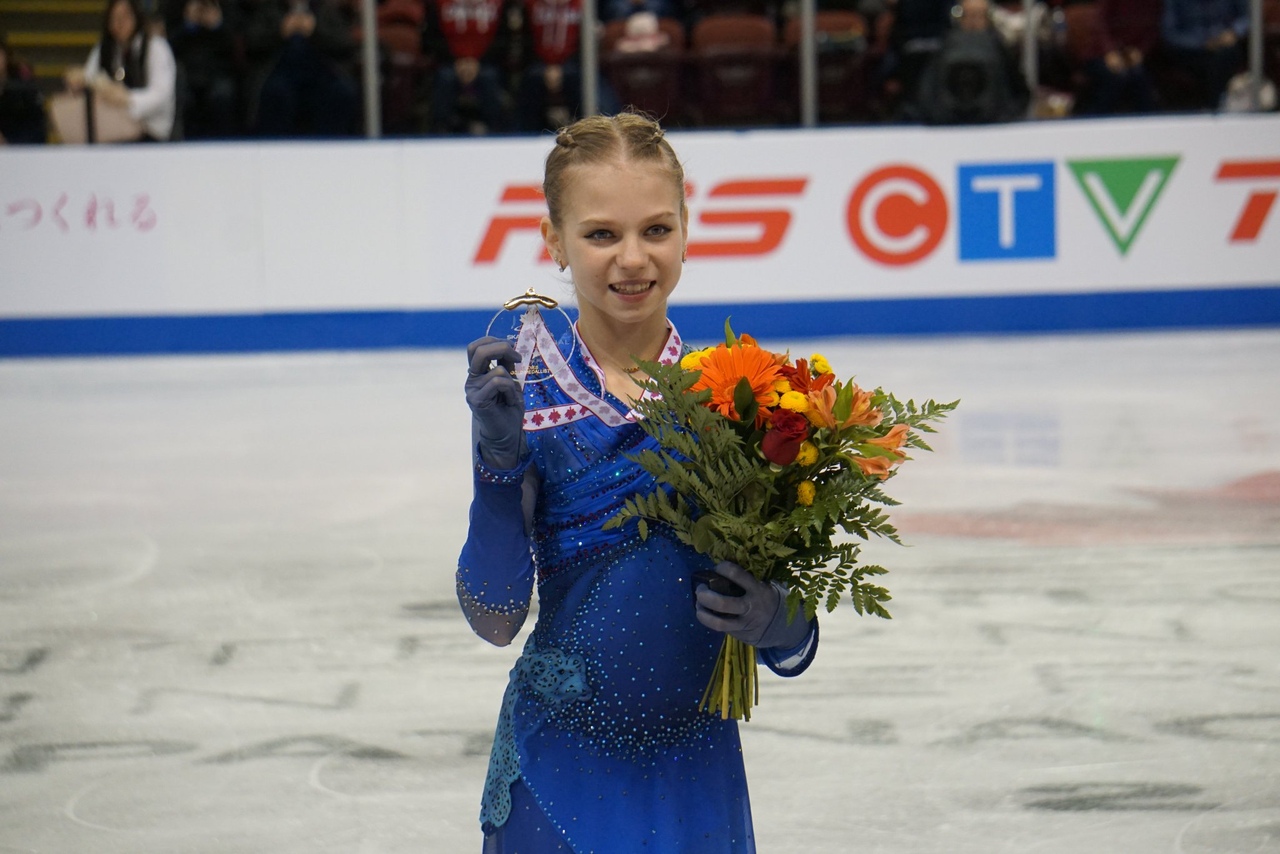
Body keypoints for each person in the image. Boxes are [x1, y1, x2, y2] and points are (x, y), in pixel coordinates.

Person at [458, 111, 818, 853]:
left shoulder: (740, 396)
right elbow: (493, 618)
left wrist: (781, 620)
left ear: (687, 226)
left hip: (696, 785)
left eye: (656, 230)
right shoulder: (526, 391)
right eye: (601, 235)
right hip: (558, 782)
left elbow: (793, 637)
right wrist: (497, 470)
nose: (632, 259)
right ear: (553, 241)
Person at [64, 0, 178, 141]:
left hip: (149, 132)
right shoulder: (104, 49)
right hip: (109, 129)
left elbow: (161, 95)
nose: (119, 23)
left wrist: (128, 99)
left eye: (124, 17)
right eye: (114, 18)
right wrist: (80, 83)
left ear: (136, 17)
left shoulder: (156, 47)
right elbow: (90, 77)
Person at [244, 0, 359, 136]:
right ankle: (276, 148)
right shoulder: (269, 9)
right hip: (279, 73)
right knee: (276, 93)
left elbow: (344, 45)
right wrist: (280, 32)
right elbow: (252, 44)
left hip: (321, 74)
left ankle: (331, 146)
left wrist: (315, 32)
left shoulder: (323, 9)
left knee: (342, 91)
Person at [912, 0, 1029, 124]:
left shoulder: (998, 47)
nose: (973, 21)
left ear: (987, 18)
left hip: (995, 123)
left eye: (979, 15)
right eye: (969, 15)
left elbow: (1019, 90)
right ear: (959, 18)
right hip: (949, 123)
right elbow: (928, 91)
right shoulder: (946, 47)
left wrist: (1008, 115)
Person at [423, 0, 514, 134]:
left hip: (486, 62)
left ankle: (494, 130)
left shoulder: (499, 3)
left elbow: (504, 38)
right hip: (450, 62)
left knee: (490, 77)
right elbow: (431, 38)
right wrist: (457, 61)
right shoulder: (438, 4)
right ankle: (442, 130)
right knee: (445, 77)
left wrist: (477, 62)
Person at [166, 0, 242, 137]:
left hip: (219, 72)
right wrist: (188, 24)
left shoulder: (227, 7)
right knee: (183, 98)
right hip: (187, 73)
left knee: (222, 96)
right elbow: (167, 48)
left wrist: (217, 25)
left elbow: (236, 48)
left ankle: (226, 147)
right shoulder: (176, 8)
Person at [1073, 0, 1160, 116]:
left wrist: (1140, 50)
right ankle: (1095, 118)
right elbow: (1100, 23)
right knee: (1117, 76)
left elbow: (1154, 28)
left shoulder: (1153, 3)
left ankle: (1147, 122)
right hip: (1099, 53)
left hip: (1132, 54)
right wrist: (1109, 51)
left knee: (1138, 75)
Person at [1160, 0, 1248, 110]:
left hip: (1226, 47)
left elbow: (1248, 17)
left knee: (1225, 55)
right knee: (1211, 63)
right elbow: (1170, 34)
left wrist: (1234, 32)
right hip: (1191, 51)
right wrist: (1202, 43)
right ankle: (1214, 107)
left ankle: (1217, 107)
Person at [0, 38, 48, 144]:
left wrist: (8, 145)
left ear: (6, 56)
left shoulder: (23, 84)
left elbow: (36, 129)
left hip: (21, 148)